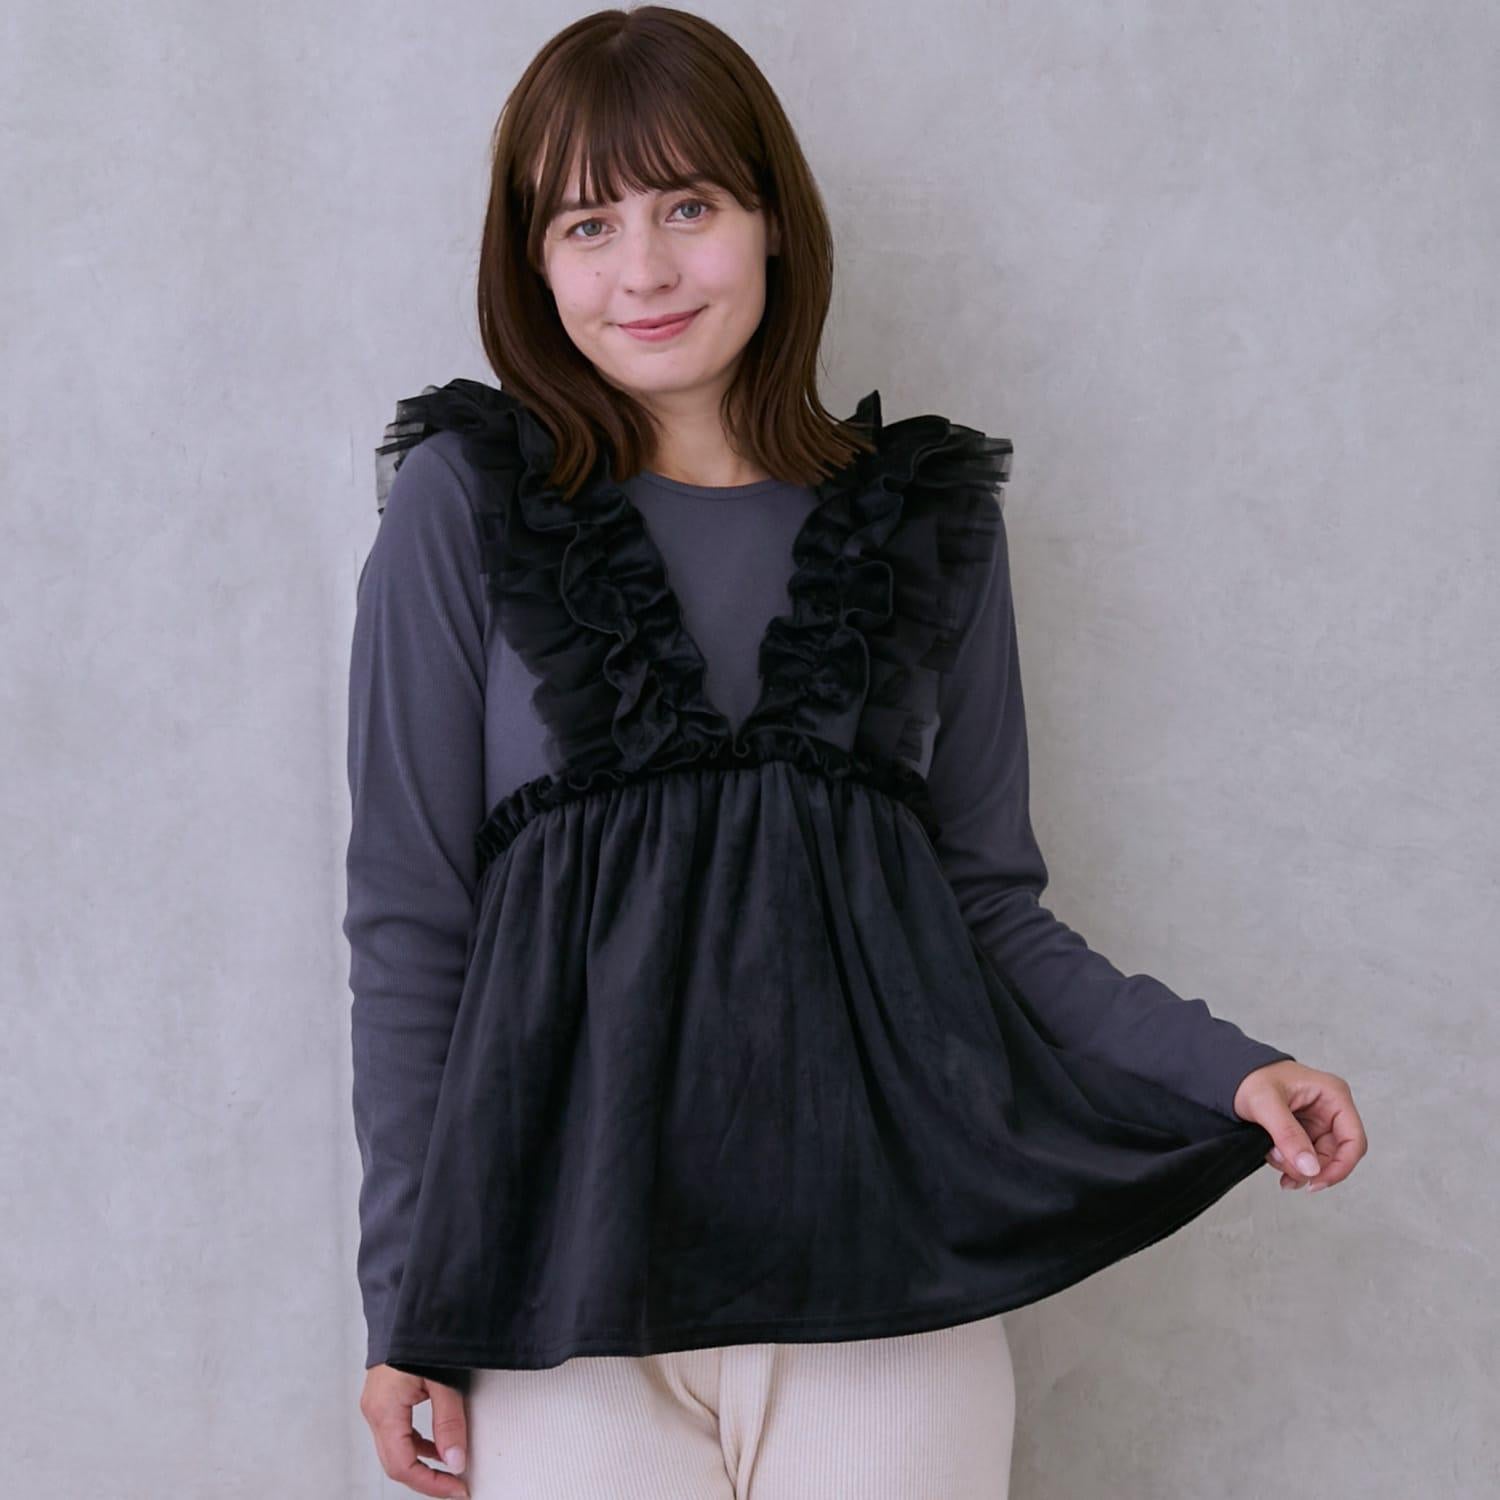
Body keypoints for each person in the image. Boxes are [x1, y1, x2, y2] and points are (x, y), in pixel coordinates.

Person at [342, 7, 1368, 1497]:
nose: (642, 270)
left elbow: (988, 908)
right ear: (534, 262)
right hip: (556, 1289)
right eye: (587, 223)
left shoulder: (921, 524)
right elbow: (410, 928)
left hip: (884, 1281)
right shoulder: (463, 506)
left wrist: (1230, 1070)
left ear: (771, 219)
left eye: (688, 206)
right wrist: (406, 1306)